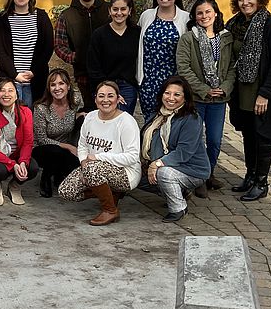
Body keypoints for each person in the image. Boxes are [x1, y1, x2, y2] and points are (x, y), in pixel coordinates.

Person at [225, 0, 271, 202]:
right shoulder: (233, 25)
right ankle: (250, 175)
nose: (246, 3)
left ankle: (261, 182)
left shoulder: (270, 24)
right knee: (249, 134)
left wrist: (266, 93)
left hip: (262, 91)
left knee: (263, 136)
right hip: (241, 90)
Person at [176, 0, 236, 198]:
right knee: (195, 139)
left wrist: (224, 87)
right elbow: (183, 67)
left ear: (216, 14)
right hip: (197, 98)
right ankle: (198, 177)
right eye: (200, 13)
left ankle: (209, 172)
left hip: (219, 100)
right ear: (194, 16)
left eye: (208, 12)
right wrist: (203, 89)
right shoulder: (188, 38)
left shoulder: (227, 38)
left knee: (215, 139)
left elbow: (232, 68)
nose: (204, 16)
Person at [58, 81, 140, 226]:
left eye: (110, 96)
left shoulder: (126, 121)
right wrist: (83, 162)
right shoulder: (90, 117)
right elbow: (82, 144)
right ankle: (111, 193)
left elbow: (132, 157)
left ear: (118, 98)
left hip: (126, 172)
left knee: (93, 168)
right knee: (66, 190)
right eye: (101, 96)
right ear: (95, 99)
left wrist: (97, 158)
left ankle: (110, 210)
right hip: (93, 167)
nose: (105, 100)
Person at [141, 76, 210, 222]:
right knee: (135, 177)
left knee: (163, 173)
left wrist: (157, 163)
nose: (171, 98)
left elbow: (183, 153)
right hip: (166, 164)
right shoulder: (157, 115)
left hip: (192, 169)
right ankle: (179, 191)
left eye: (177, 94)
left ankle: (178, 207)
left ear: (185, 98)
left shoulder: (192, 118)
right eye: (167, 93)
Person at [0, 0, 54, 107]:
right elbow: (0, 51)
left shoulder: (41, 17)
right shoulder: (2, 19)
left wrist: (34, 72)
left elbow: (47, 48)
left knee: (33, 120)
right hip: (10, 80)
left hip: (36, 79)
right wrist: (15, 75)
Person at [54, 0, 111, 111]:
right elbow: (59, 46)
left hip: (111, 73)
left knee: (112, 113)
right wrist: (77, 57)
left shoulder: (109, 10)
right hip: (83, 77)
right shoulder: (67, 15)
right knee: (89, 114)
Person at [0, 78, 39, 206]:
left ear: (16, 95)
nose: (6, 94)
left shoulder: (25, 112)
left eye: (10, 90)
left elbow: (28, 142)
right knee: (0, 170)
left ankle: (15, 186)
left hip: (16, 154)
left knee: (32, 168)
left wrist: (22, 162)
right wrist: (12, 165)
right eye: (2, 91)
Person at [137, 0, 189, 121]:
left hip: (173, 80)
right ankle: (149, 144)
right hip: (148, 80)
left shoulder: (185, 18)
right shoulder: (146, 16)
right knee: (150, 120)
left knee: (172, 120)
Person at [32, 69, 84, 198]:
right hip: (42, 149)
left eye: (61, 83)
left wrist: (80, 115)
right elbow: (41, 139)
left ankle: (59, 173)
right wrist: (68, 146)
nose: (57, 88)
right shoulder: (41, 108)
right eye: (53, 84)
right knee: (56, 151)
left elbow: (98, 104)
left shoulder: (75, 100)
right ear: (48, 88)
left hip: (65, 150)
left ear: (68, 86)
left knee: (76, 167)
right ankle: (46, 178)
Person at [87, 0, 140, 116]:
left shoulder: (137, 33)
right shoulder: (99, 34)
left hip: (128, 87)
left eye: (123, 9)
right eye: (115, 9)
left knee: (123, 121)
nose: (119, 13)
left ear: (130, 10)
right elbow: (93, 66)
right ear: (109, 11)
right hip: (104, 84)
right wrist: (108, 90)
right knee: (106, 121)